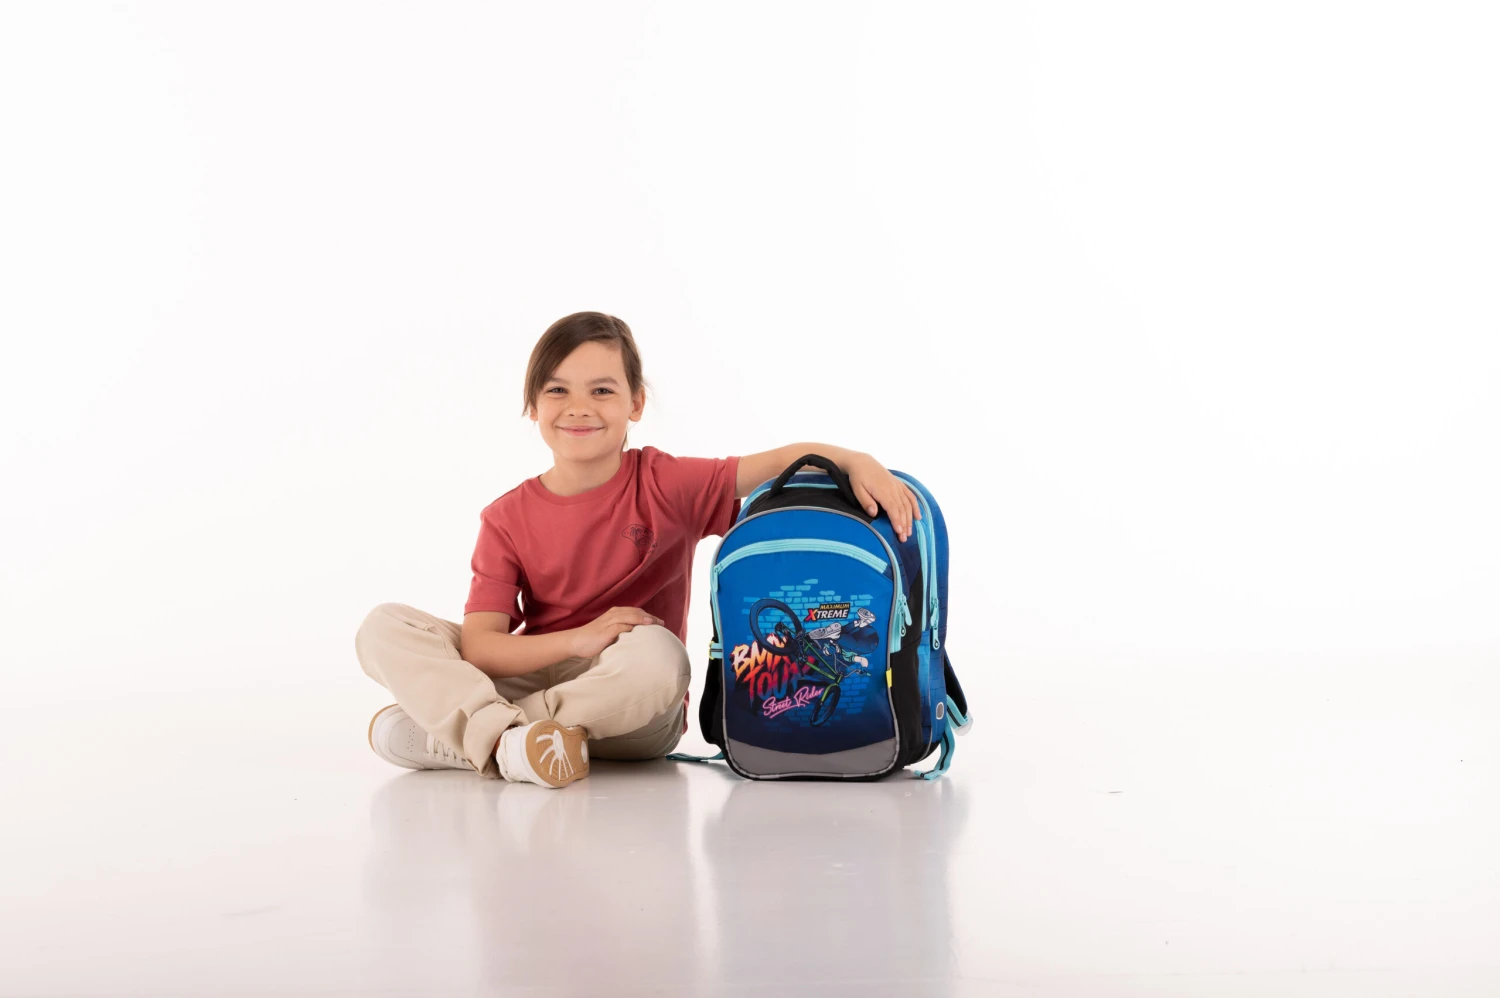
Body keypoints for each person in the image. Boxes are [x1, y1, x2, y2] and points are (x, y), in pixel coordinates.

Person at [355, 311, 923, 788]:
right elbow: (483, 647)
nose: (579, 407)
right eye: (557, 390)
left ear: (636, 403)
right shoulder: (505, 518)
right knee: (384, 627)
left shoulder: (664, 482)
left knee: (661, 656)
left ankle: (466, 735)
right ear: (532, 407)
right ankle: (514, 743)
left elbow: (777, 463)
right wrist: (577, 639)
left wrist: (855, 460)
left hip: (631, 704)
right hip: (538, 672)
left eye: (602, 390)